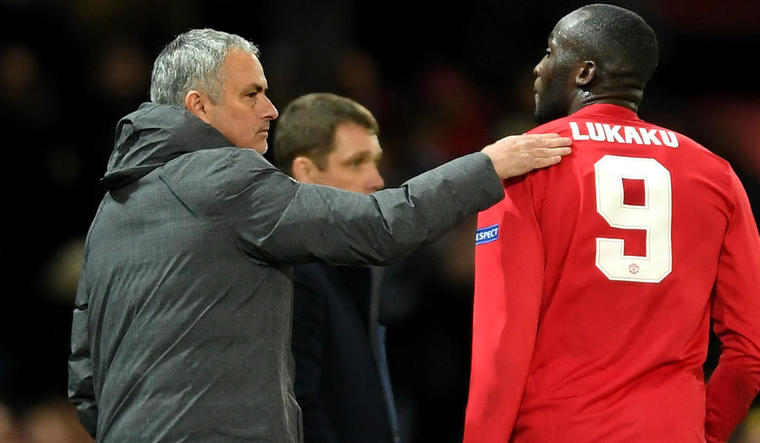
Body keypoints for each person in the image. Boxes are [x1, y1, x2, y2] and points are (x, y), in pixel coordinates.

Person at [67, 29, 572, 443]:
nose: (271, 109)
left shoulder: (110, 212)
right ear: (198, 106)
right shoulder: (222, 179)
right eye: (251, 94)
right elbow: (379, 226)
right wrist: (487, 165)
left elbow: (85, 385)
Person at [463, 4, 760, 443]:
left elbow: (502, 340)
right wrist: (700, 431)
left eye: (551, 53)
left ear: (585, 73)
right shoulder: (714, 173)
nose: (538, 68)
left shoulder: (524, 161)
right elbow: (752, 351)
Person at [273, 92, 396, 443]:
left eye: (376, 161)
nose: (377, 180)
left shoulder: (354, 265)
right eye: (356, 162)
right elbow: (300, 410)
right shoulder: (296, 275)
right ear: (306, 172)